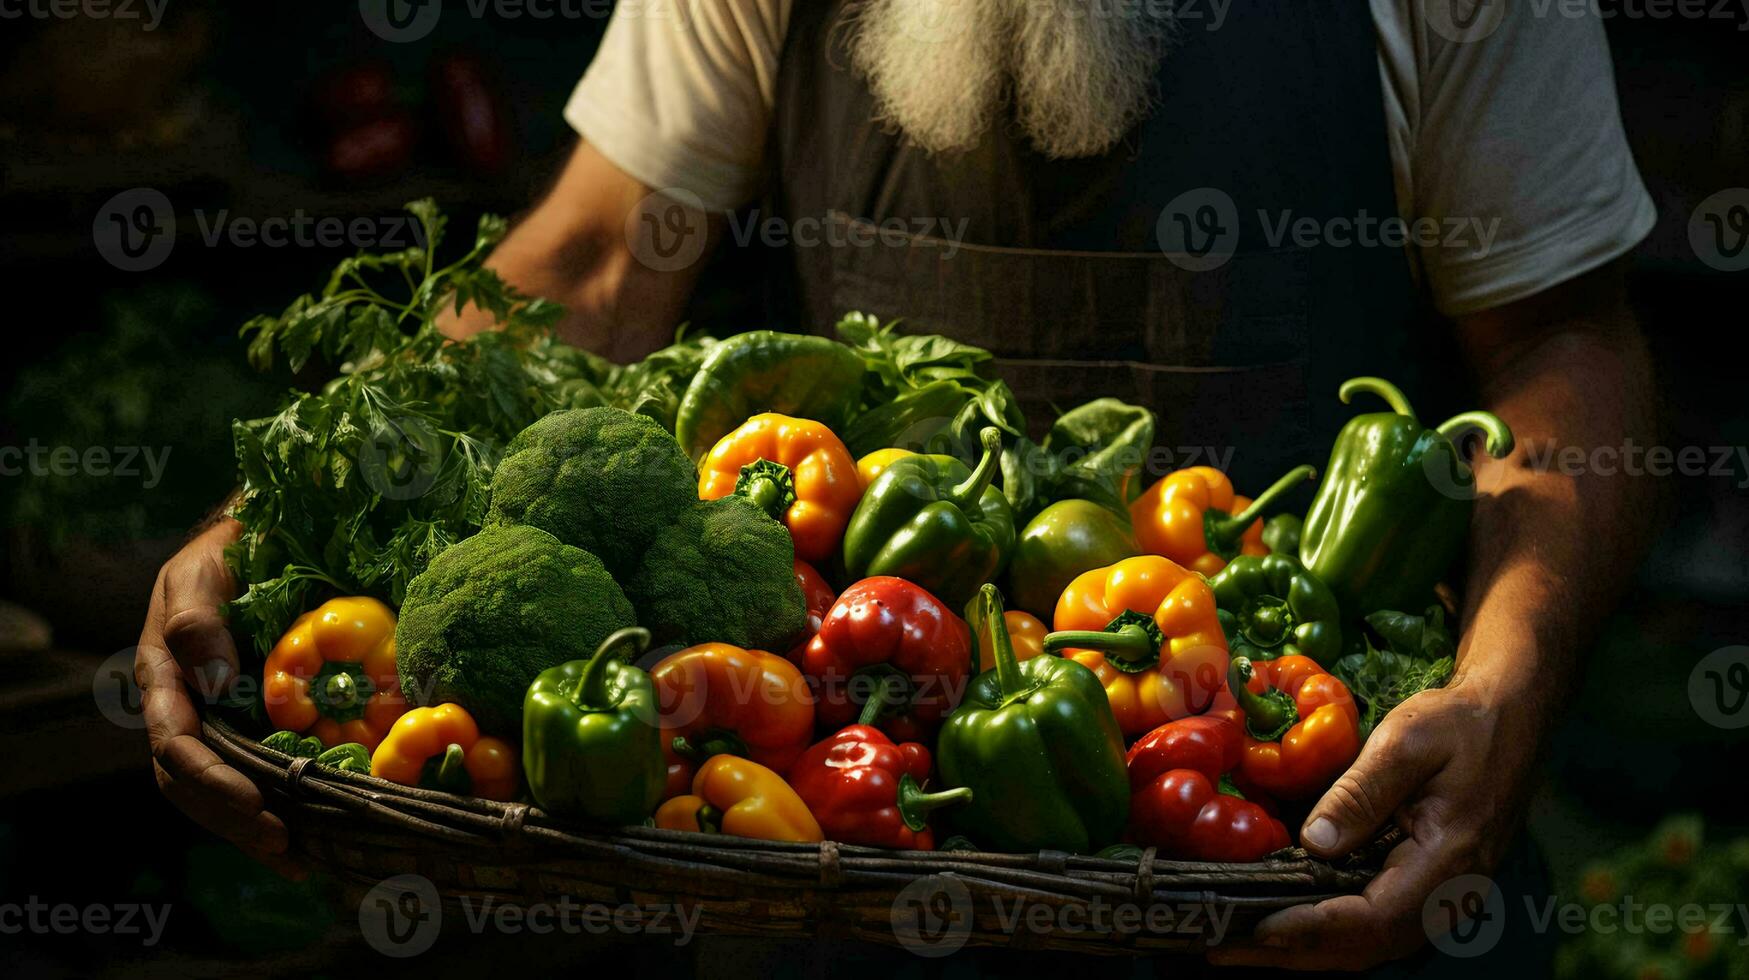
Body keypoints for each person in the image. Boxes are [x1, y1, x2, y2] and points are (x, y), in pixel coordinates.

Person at [138, 0, 1658, 970]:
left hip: (1293, 848)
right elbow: (600, 255)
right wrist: (267, 524)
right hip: (849, 844)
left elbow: (1559, 335)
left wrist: (1510, 680)